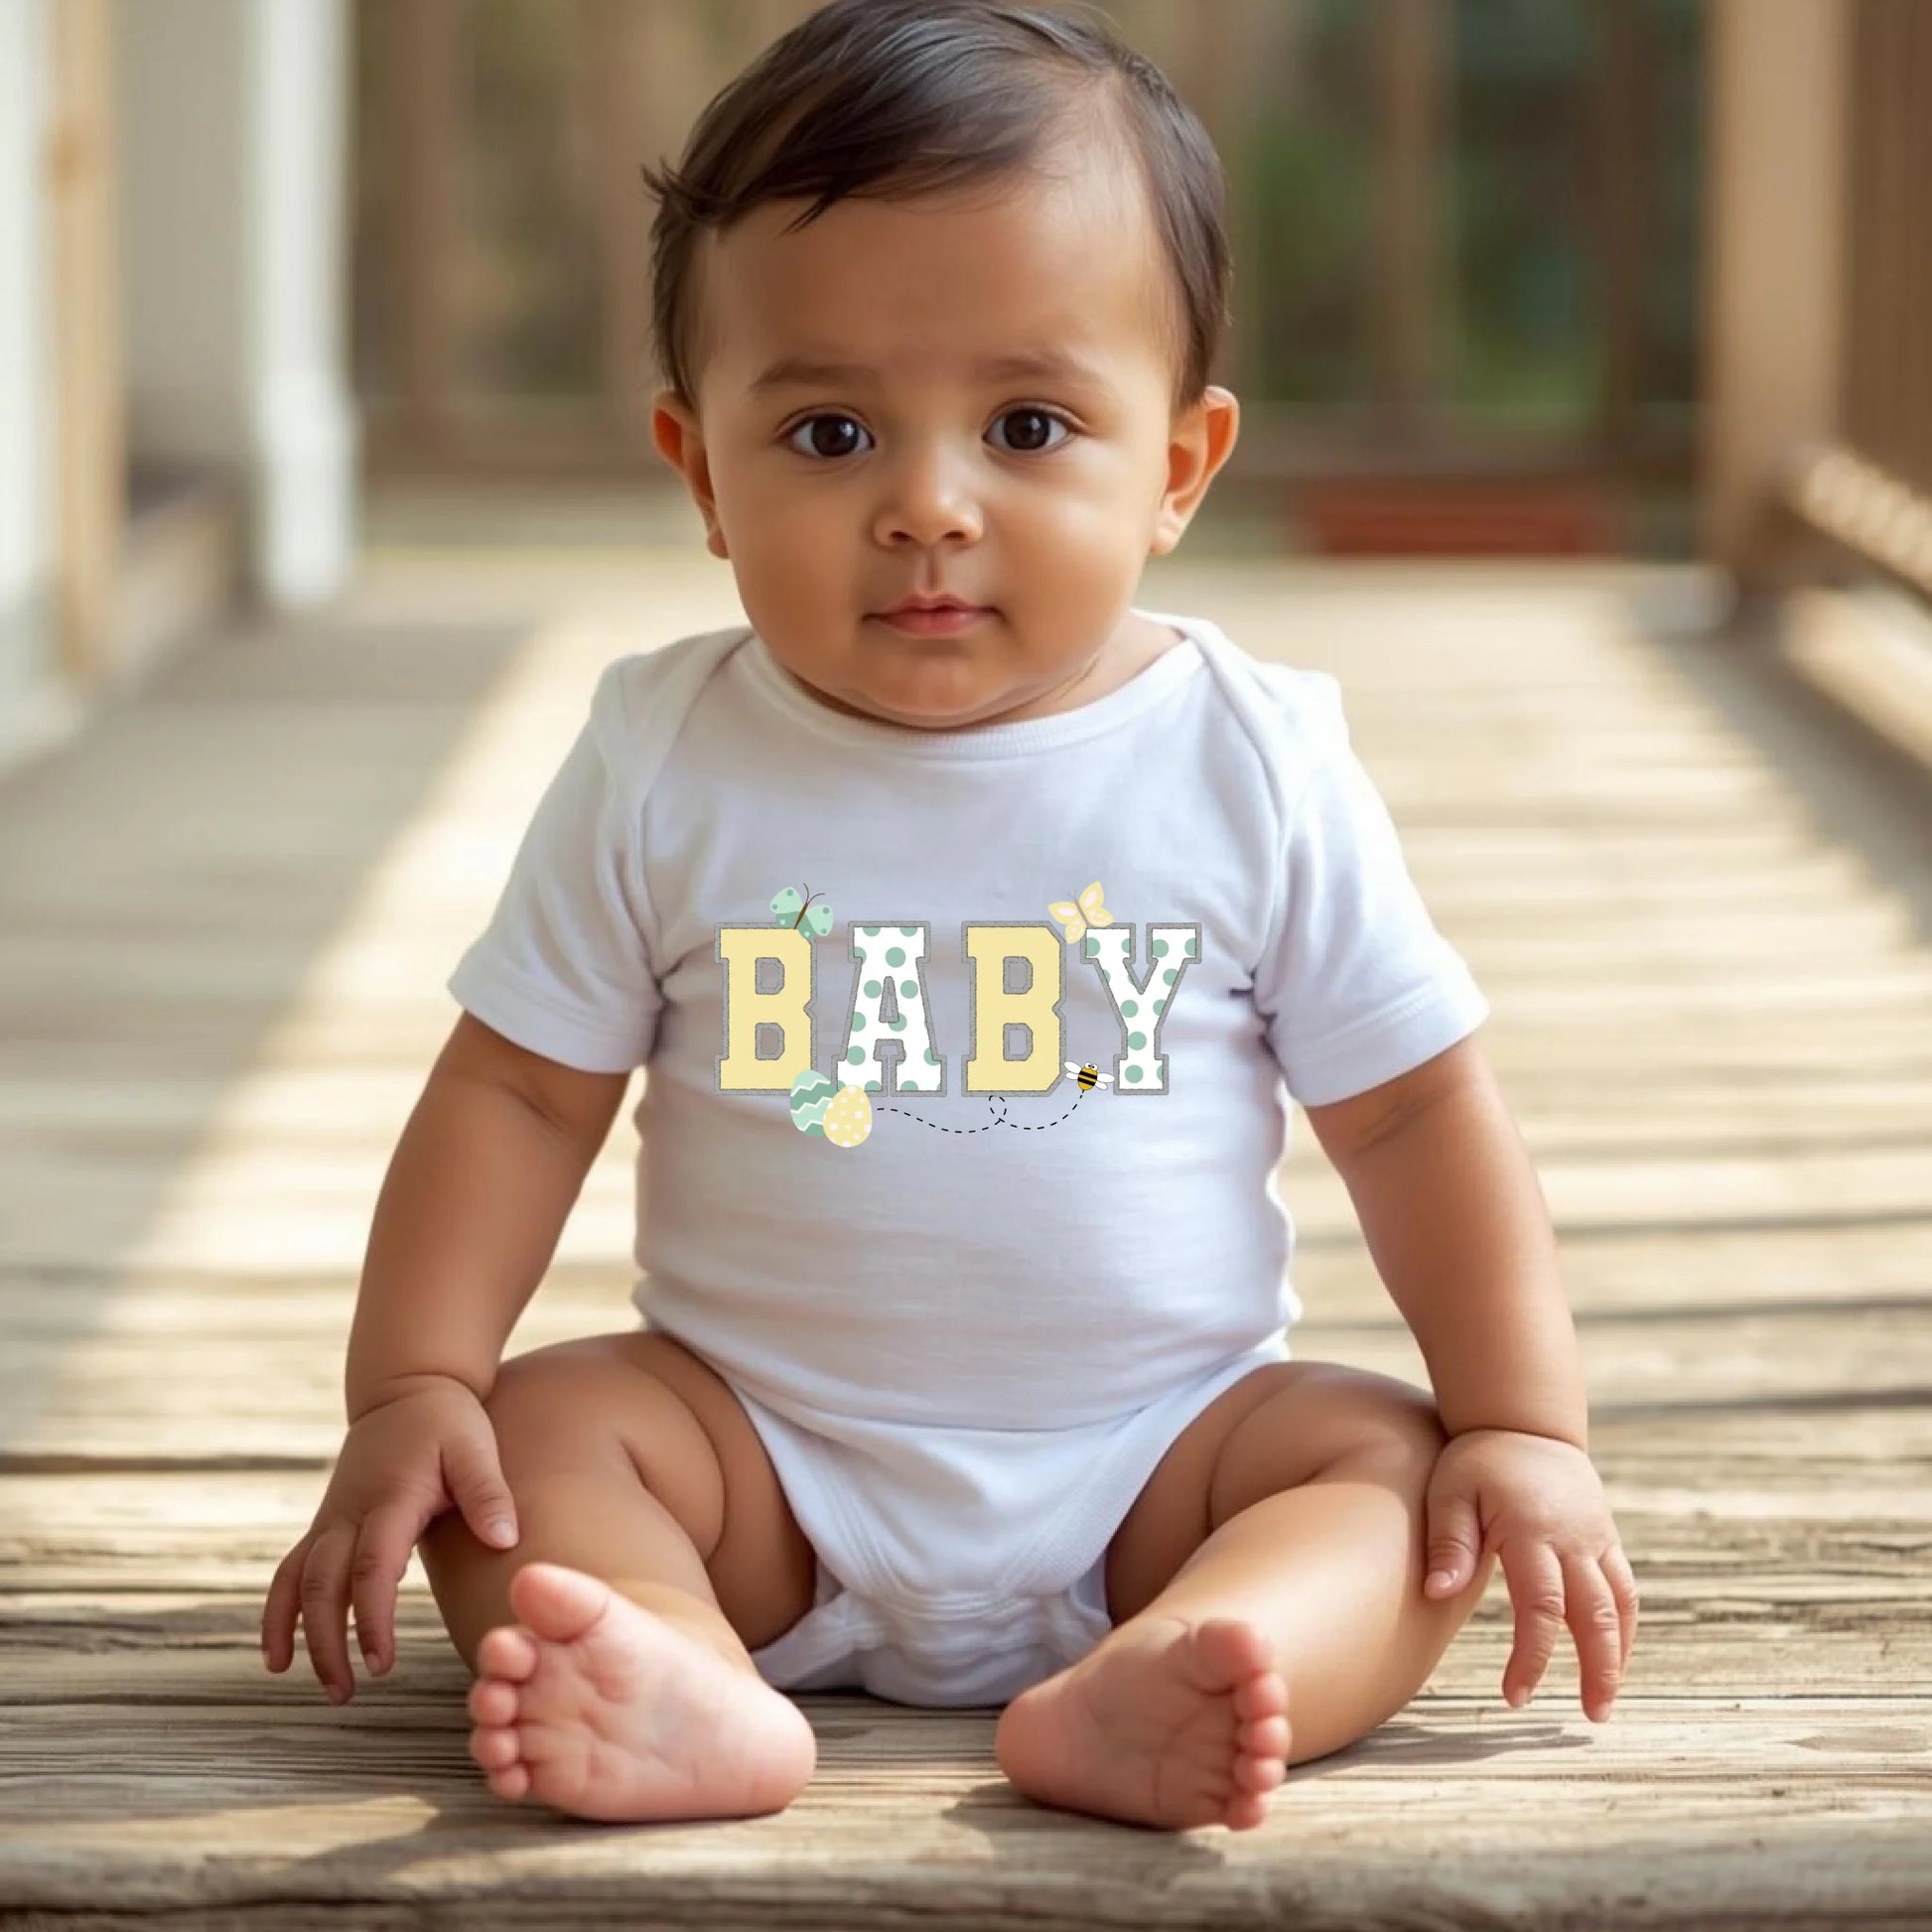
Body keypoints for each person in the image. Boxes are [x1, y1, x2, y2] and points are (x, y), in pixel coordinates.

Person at [261, 0, 1638, 1833]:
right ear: (697, 470)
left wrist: (1523, 1422)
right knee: (524, 1443)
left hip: (1163, 1453)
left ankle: (1203, 1660)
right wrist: (410, 1384)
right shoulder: (669, 752)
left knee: (1390, 1473)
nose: (926, 506)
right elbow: (516, 1093)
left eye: (1026, 423)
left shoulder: (1247, 756)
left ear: (1175, 466)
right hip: (759, 1456)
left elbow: (1410, 1110)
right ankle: (668, 1659)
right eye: (828, 430)